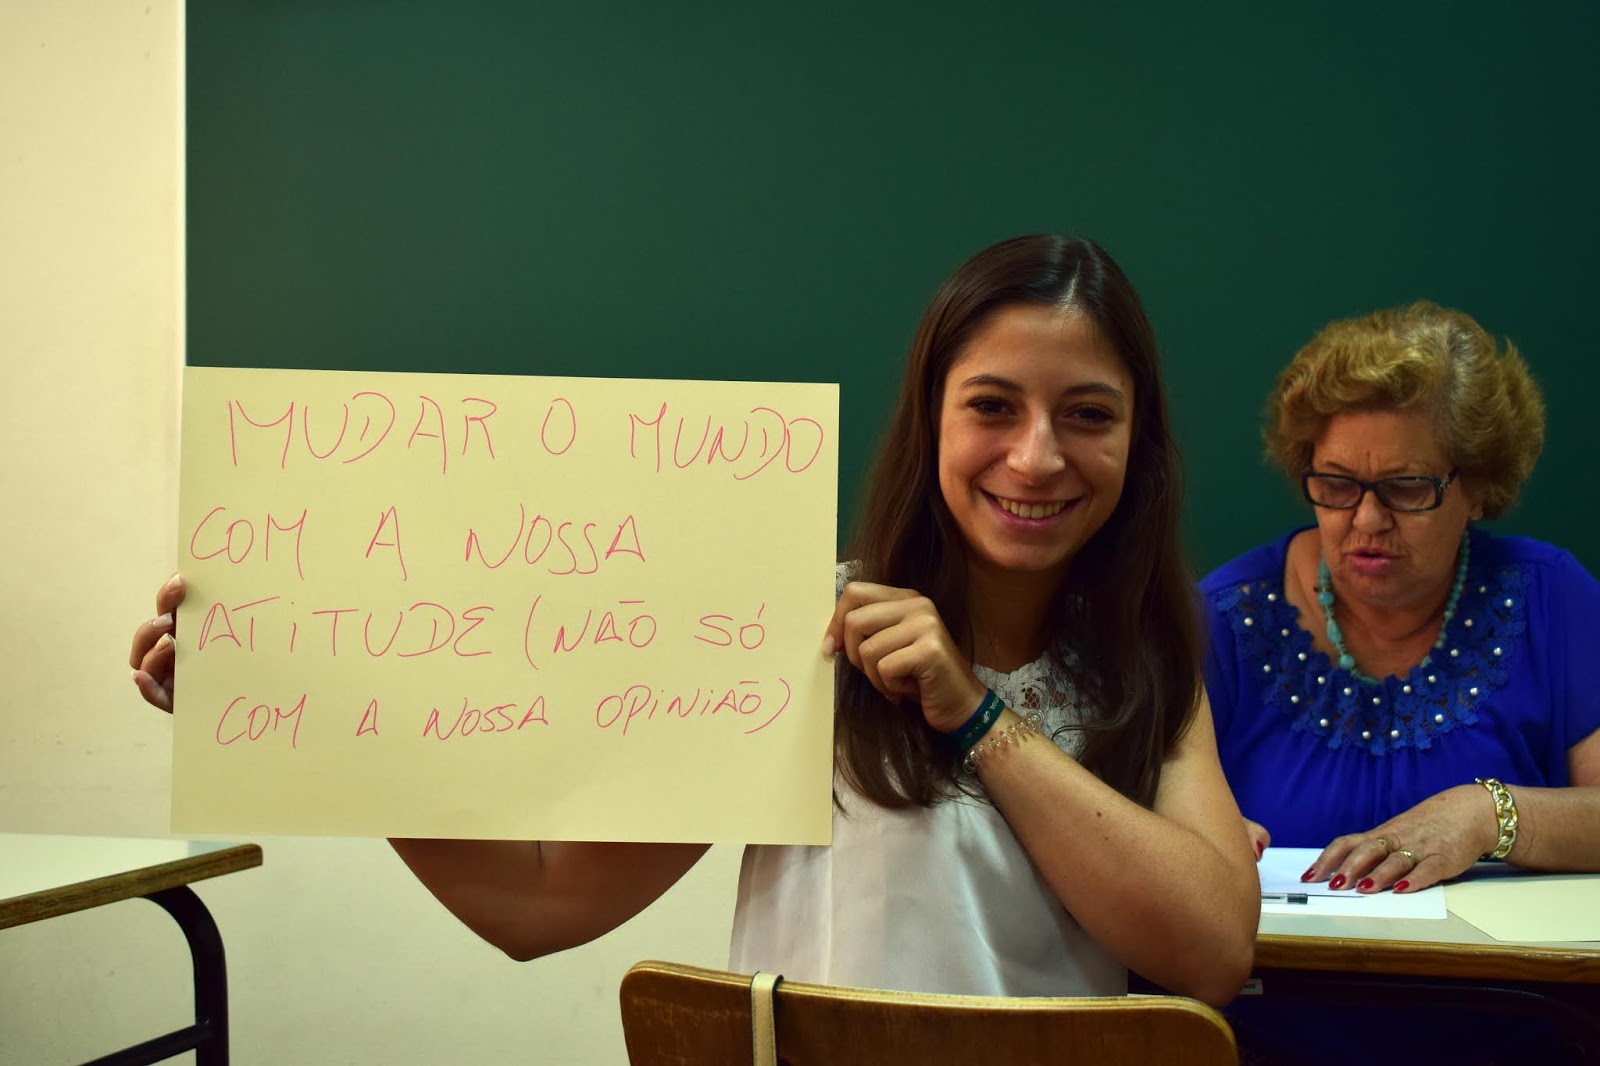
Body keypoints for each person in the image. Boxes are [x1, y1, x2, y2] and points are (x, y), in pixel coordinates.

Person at [131, 234, 1258, 1006]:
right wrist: (319, 724)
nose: (1036, 456)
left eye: (1088, 415)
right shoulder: (800, 634)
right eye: (993, 407)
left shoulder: (1145, 664)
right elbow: (536, 905)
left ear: (1137, 442)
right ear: (931, 422)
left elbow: (1211, 949)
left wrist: (974, 714)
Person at [1202, 302, 1599, 1066]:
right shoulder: (1223, 620)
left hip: (1521, 1042)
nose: (1366, 520)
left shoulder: (1551, 596)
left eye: (1407, 488)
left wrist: (1488, 813)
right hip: (1263, 1044)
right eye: (1336, 484)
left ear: (1478, 485)